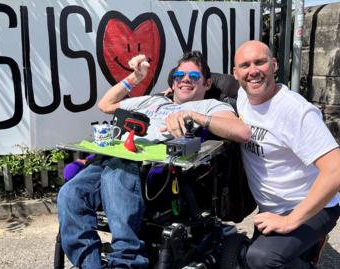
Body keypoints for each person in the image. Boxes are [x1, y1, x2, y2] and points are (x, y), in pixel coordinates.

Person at [57, 51, 251, 269]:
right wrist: (135, 79)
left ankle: (126, 262)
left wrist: (194, 117)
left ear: (207, 84)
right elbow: (105, 105)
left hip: (153, 168)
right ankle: (90, 265)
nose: (185, 79)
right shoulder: (152, 101)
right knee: (69, 194)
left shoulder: (210, 106)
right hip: (114, 158)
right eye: (179, 75)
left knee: (117, 173)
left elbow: (241, 132)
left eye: (193, 76)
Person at [233, 40, 340, 269]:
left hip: (313, 206)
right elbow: (204, 79)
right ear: (235, 73)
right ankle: (307, 247)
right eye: (245, 65)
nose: (252, 71)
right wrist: (173, 89)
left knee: (261, 259)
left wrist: (291, 221)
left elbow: (336, 170)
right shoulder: (244, 97)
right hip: (272, 207)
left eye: (260, 62)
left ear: (273, 65)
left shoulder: (295, 111)